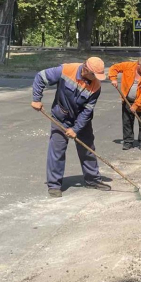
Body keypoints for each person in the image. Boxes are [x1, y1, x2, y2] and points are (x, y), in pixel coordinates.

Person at [31, 57, 111, 198]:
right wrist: (36, 99)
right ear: (86, 69)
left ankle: (92, 180)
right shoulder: (66, 70)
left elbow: (87, 111)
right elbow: (41, 76)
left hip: (81, 121)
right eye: (94, 75)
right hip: (60, 117)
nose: (96, 79)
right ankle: (54, 185)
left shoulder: (96, 86)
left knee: (88, 149)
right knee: (57, 151)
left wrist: (76, 129)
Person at [109, 57, 141, 151]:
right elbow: (114, 68)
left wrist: (136, 105)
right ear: (138, 65)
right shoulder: (128, 66)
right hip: (127, 100)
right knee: (127, 122)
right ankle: (128, 142)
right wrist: (113, 79)